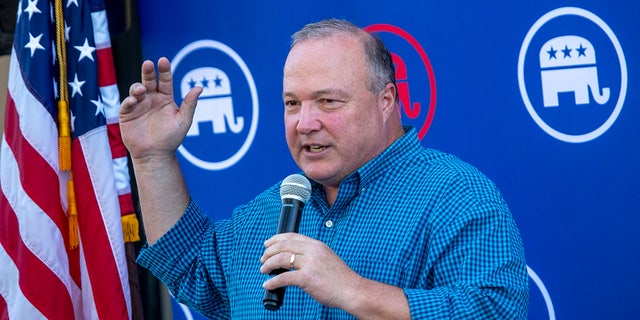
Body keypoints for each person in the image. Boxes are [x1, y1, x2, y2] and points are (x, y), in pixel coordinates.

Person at [120, 18, 529, 319]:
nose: (304, 122)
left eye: (328, 102)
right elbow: (192, 267)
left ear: (386, 101)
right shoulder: (271, 209)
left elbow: (496, 311)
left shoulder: (456, 195)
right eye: (292, 103)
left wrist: (353, 290)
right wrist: (152, 158)